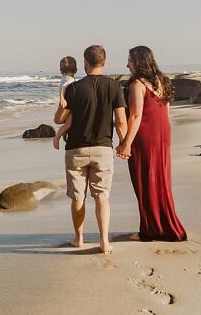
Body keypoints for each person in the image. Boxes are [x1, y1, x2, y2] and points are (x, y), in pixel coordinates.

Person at [54, 45, 127, 254]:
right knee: (102, 196)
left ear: (85, 63)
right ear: (104, 63)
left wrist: (61, 105)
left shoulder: (74, 88)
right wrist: (124, 144)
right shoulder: (114, 86)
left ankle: (79, 238)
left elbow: (59, 119)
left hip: (75, 150)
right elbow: (121, 121)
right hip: (103, 149)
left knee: (78, 197)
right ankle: (104, 241)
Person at [116, 46, 187, 242]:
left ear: (138, 62)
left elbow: (136, 116)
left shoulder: (137, 84)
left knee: (145, 178)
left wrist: (126, 144)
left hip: (145, 135)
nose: (127, 64)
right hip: (163, 132)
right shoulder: (161, 80)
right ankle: (162, 224)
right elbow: (166, 110)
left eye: (129, 60)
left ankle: (151, 227)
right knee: (161, 177)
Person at [53, 56, 77, 150]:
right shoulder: (70, 80)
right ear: (76, 70)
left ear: (60, 69)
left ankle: (64, 134)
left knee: (68, 123)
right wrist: (63, 98)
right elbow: (64, 87)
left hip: (65, 104)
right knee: (68, 124)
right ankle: (57, 137)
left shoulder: (64, 78)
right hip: (68, 106)